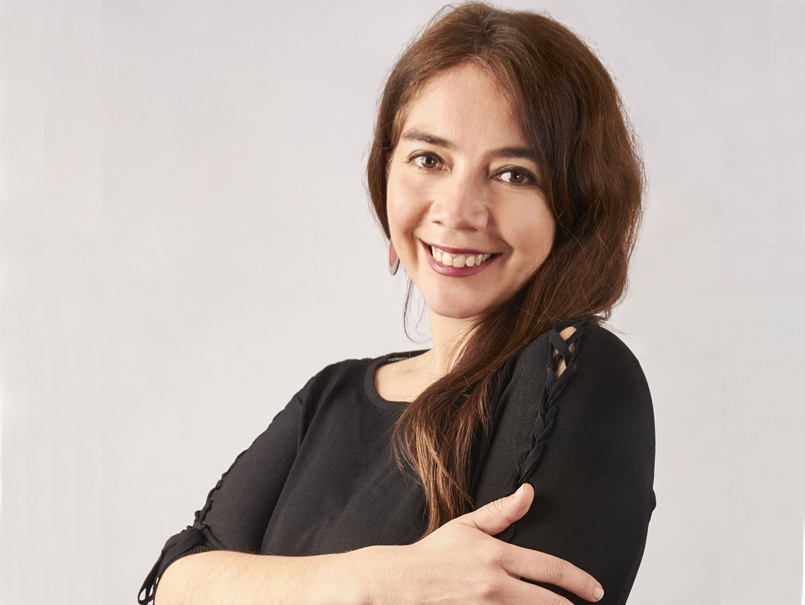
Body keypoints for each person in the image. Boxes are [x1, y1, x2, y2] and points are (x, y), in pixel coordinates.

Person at [139, 3, 656, 604]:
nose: (457, 211)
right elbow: (177, 582)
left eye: (514, 173)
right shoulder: (330, 399)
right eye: (429, 159)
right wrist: (377, 581)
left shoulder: (579, 373)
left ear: (578, 205)